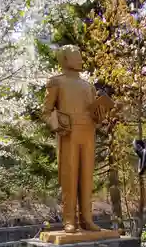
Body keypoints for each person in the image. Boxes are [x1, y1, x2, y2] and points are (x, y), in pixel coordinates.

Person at [43, 45, 105, 233]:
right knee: (70, 177)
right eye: (76, 55)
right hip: (68, 134)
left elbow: (96, 115)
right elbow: (45, 112)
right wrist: (57, 125)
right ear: (65, 59)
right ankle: (69, 219)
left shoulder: (88, 86)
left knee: (87, 177)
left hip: (88, 133)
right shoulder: (56, 82)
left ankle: (87, 218)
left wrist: (100, 115)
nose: (80, 59)